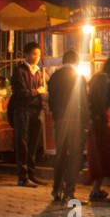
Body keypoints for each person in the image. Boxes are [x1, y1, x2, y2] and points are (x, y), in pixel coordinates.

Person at [47, 50, 89, 203]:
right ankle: (69, 191)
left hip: (60, 121)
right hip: (75, 121)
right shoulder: (78, 78)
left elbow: (50, 100)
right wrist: (86, 121)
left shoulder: (54, 77)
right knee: (74, 156)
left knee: (60, 155)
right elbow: (83, 102)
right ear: (77, 62)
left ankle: (56, 189)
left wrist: (56, 115)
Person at [8, 42, 46, 187]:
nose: (37, 57)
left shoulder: (38, 72)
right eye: (34, 54)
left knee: (33, 143)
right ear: (27, 54)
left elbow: (41, 90)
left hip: (35, 111)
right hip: (22, 111)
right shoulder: (20, 71)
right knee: (22, 143)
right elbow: (21, 92)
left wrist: (41, 105)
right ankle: (22, 176)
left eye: (39, 54)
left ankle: (31, 173)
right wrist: (36, 92)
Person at [86, 55, 110, 201]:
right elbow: (102, 101)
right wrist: (104, 119)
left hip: (97, 121)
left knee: (100, 155)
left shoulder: (98, 78)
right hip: (103, 121)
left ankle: (97, 188)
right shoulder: (104, 80)